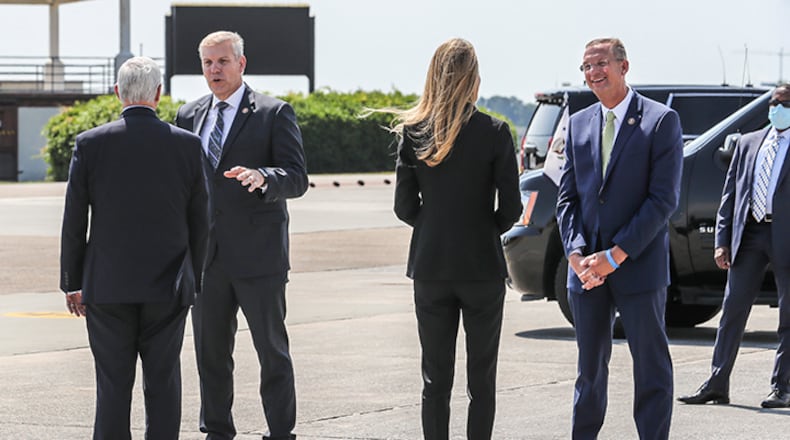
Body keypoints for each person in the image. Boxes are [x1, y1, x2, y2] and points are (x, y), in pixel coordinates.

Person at [59, 56, 209, 439]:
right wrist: (195, 278)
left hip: (107, 287)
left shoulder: (90, 144)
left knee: (112, 385)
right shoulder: (188, 146)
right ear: (159, 94)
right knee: (163, 382)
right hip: (169, 286)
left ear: (117, 93)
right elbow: (200, 221)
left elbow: (75, 219)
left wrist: (71, 282)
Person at [175, 30, 308, 440]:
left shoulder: (273, 112)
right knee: (211, 356)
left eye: (222, 62)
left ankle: (281, 432)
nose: (215, 70)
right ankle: (217, 431)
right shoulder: (187, 115)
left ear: (241, 64)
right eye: (208, 63)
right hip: (207, 261)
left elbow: (297, 177)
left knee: (272, 353)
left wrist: (263, 176)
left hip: (259, 258)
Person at [389, 38, 521, 439]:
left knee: (435, 380)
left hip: (431, 266)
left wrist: (435, 227)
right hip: (481, 267)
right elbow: (512, 208)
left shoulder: (414, 131)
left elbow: (403, 206)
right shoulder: (496, 131)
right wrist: (481, 229)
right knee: (481, 381)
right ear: (474, 79)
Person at [555, 38, 683, 440]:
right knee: (588, 372)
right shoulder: (577, 123)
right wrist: (576, 255)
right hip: (587, 273)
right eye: (586, 66)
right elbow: (566, 198)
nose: (593, 72)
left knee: (651, 369)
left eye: (601, 64)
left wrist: (617, 254)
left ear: (624, 66)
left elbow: (662, 200)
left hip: (638, 268)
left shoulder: (661, 121)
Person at [678, 84, 790, 409]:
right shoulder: (747, 143)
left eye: (784, 103)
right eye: (773, 103)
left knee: (787, 316)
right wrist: (721, 241)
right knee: (732, 311)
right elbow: (730, 196)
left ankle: (781, 387)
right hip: (750, 235)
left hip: (785, 237)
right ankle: (716, 384)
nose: (777, 108)